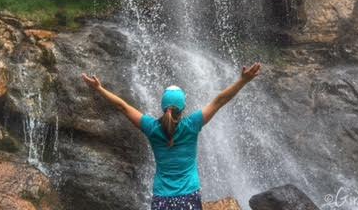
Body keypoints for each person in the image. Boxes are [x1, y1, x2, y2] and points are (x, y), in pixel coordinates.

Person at [82, 62, 261, 210]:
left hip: (162, 199)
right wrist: (243, 80)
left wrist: (99, 88)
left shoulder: (151, 128)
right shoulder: (192, 124)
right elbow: (219, 100)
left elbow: (123, 106)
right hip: (189, 196)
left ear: (163, 106)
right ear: (182, 108)